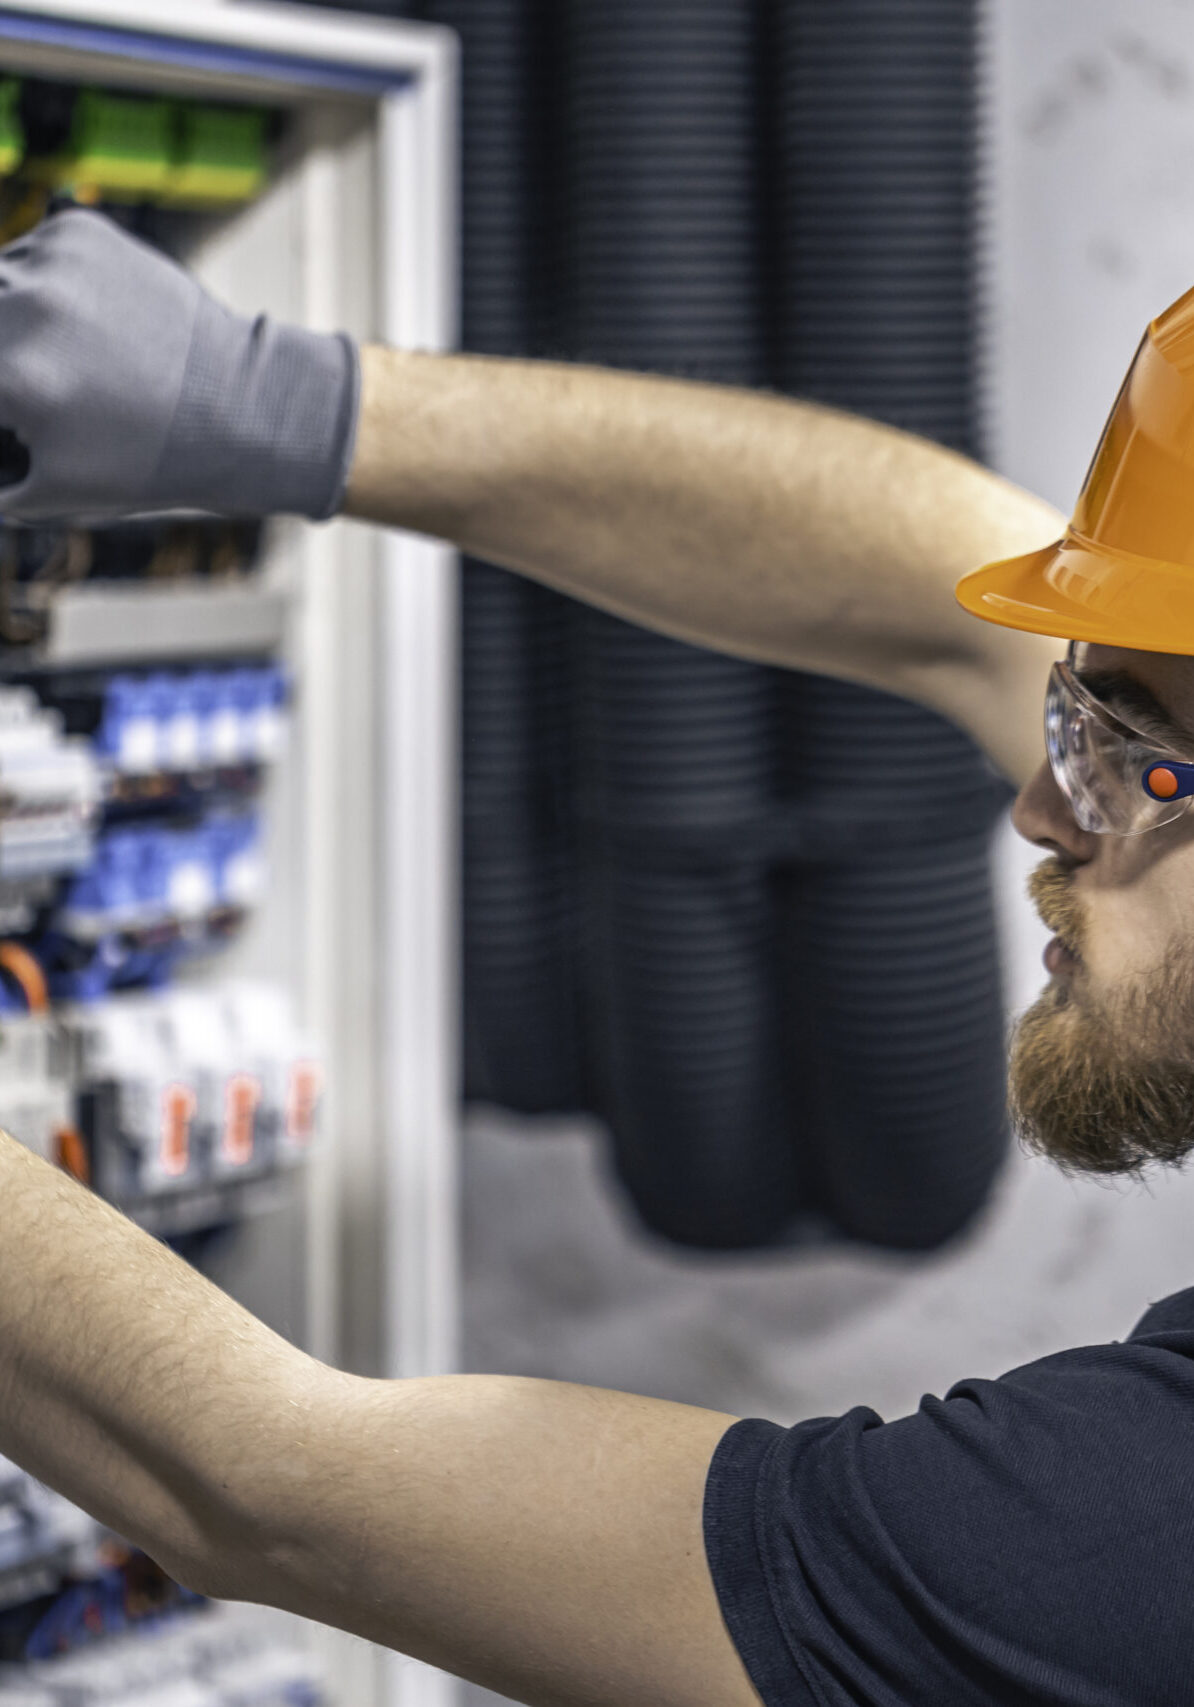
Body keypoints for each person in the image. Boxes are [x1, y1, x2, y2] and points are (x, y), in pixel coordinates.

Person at [0, 208, 1188, 1707]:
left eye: (1123, 755)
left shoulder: (1127, 1542)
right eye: (1075, 719)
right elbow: (940, 598)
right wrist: (272, 402)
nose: (1032, 805)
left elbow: (258, 1486)